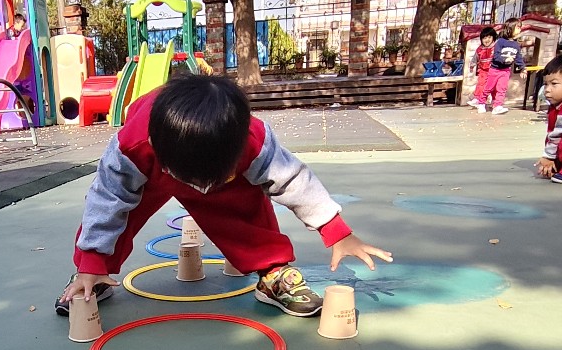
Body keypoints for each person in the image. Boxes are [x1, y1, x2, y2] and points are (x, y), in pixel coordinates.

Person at [54, 75, 393, 318]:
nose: (198, 191)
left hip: (213, 168)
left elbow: (293, 180)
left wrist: (335, 230)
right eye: (193, 183)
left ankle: (272, 272)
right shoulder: (133, 148)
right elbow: (107, 199)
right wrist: (92, 260)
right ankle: (93, 274)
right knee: (120, 210)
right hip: (151, 172)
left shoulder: (253, 143)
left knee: (243, 207)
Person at [471, 21, 526, 115]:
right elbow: (496, 56)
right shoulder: (500, 42)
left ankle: (497, 106)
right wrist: (504, 59)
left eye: (520, 28)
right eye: (517, 27)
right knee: (488, 88)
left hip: (506, 70)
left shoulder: (516, 45)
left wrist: (522, 69)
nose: (519, 30)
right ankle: (481, 103)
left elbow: (518, 58)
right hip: (495, 69)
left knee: (502, 88)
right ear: (510, 28)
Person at [533, 56, 562, 183]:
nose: (547, 90)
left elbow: (557, 135)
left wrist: (548, 157)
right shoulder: (555, 107)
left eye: (554, 84)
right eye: (545, 84)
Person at [467, 27, 497, 110]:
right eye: (484, 38)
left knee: (494, 87)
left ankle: (495, 102)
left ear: (493, 37)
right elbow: (475, 58)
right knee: (481, 84)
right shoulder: (480, 49)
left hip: (494, 70)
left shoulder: (496, 47)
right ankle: (477, 99)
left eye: (489, 37)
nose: (487, 40)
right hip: (483, 70)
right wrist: (472, 65)